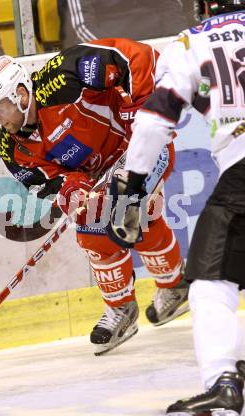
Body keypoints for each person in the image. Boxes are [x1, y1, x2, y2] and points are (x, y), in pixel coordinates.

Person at [0, 40, 189, 356]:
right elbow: (47, 183)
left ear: (19, 95)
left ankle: (170, 287)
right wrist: (71, 189)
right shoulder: (11, 146)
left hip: (141, 149)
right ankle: (133, 303)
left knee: (129, 212)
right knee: (96, 228)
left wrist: (141, 109)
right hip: (102, 175)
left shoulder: (65, 76)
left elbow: (134, 57)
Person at [108, 0, 245, 414]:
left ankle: (225, 381)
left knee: (209, 281)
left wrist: (132, 188)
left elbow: (153, 122)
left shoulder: (190, 43)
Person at [57, 0, 190, 50]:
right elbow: (83, 26)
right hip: (113, 51)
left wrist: (180, 42)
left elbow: (170, 7)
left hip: (160, 43)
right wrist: (116, 51)